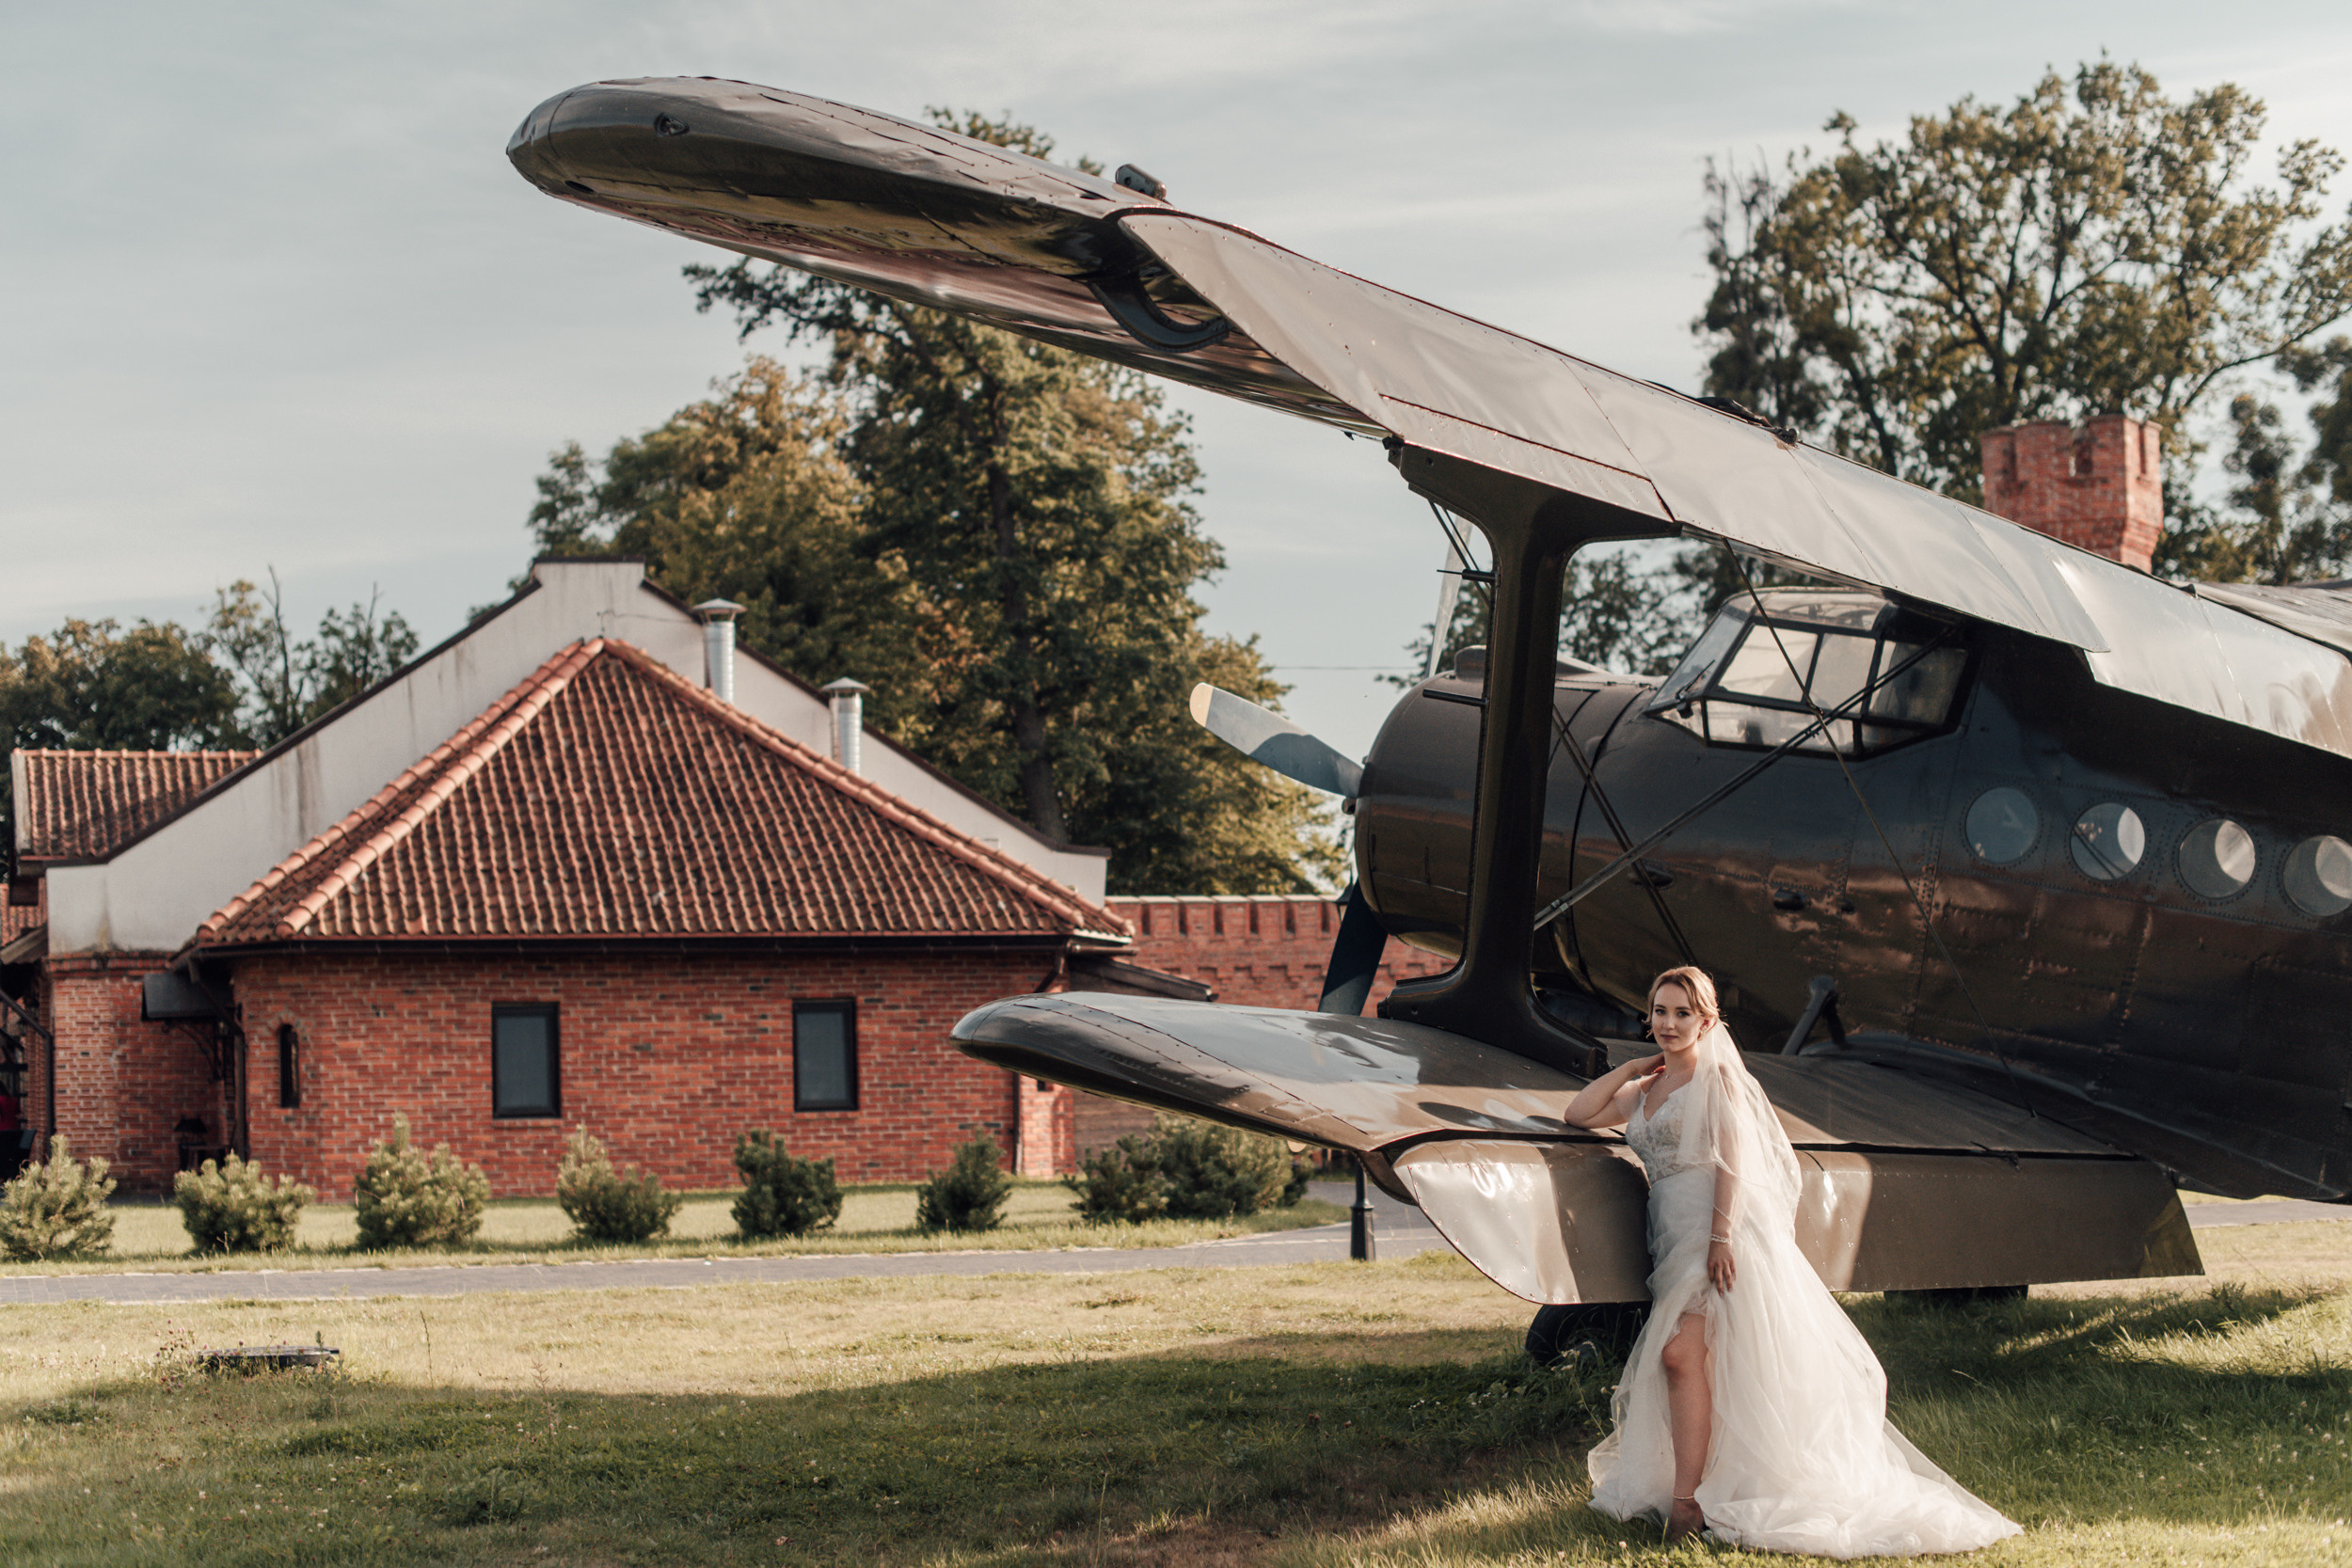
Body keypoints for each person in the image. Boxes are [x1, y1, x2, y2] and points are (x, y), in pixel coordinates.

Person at [1563, 965, 2021, 1557]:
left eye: (1683, 1013)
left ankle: (1687, 1502)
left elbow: (1736, 1161)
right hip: (1670, 1238)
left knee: (1679, 1356)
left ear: (1707, 1021)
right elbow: (1579, 1113)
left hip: (1716, 1234)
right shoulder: (1645, 1091)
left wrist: (1721, 1238)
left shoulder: (1719, 1081)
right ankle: (1709, 1480)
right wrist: (1627, 1068)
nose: (1669, 1023)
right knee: (1708, 1361)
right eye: (1659, 1011)